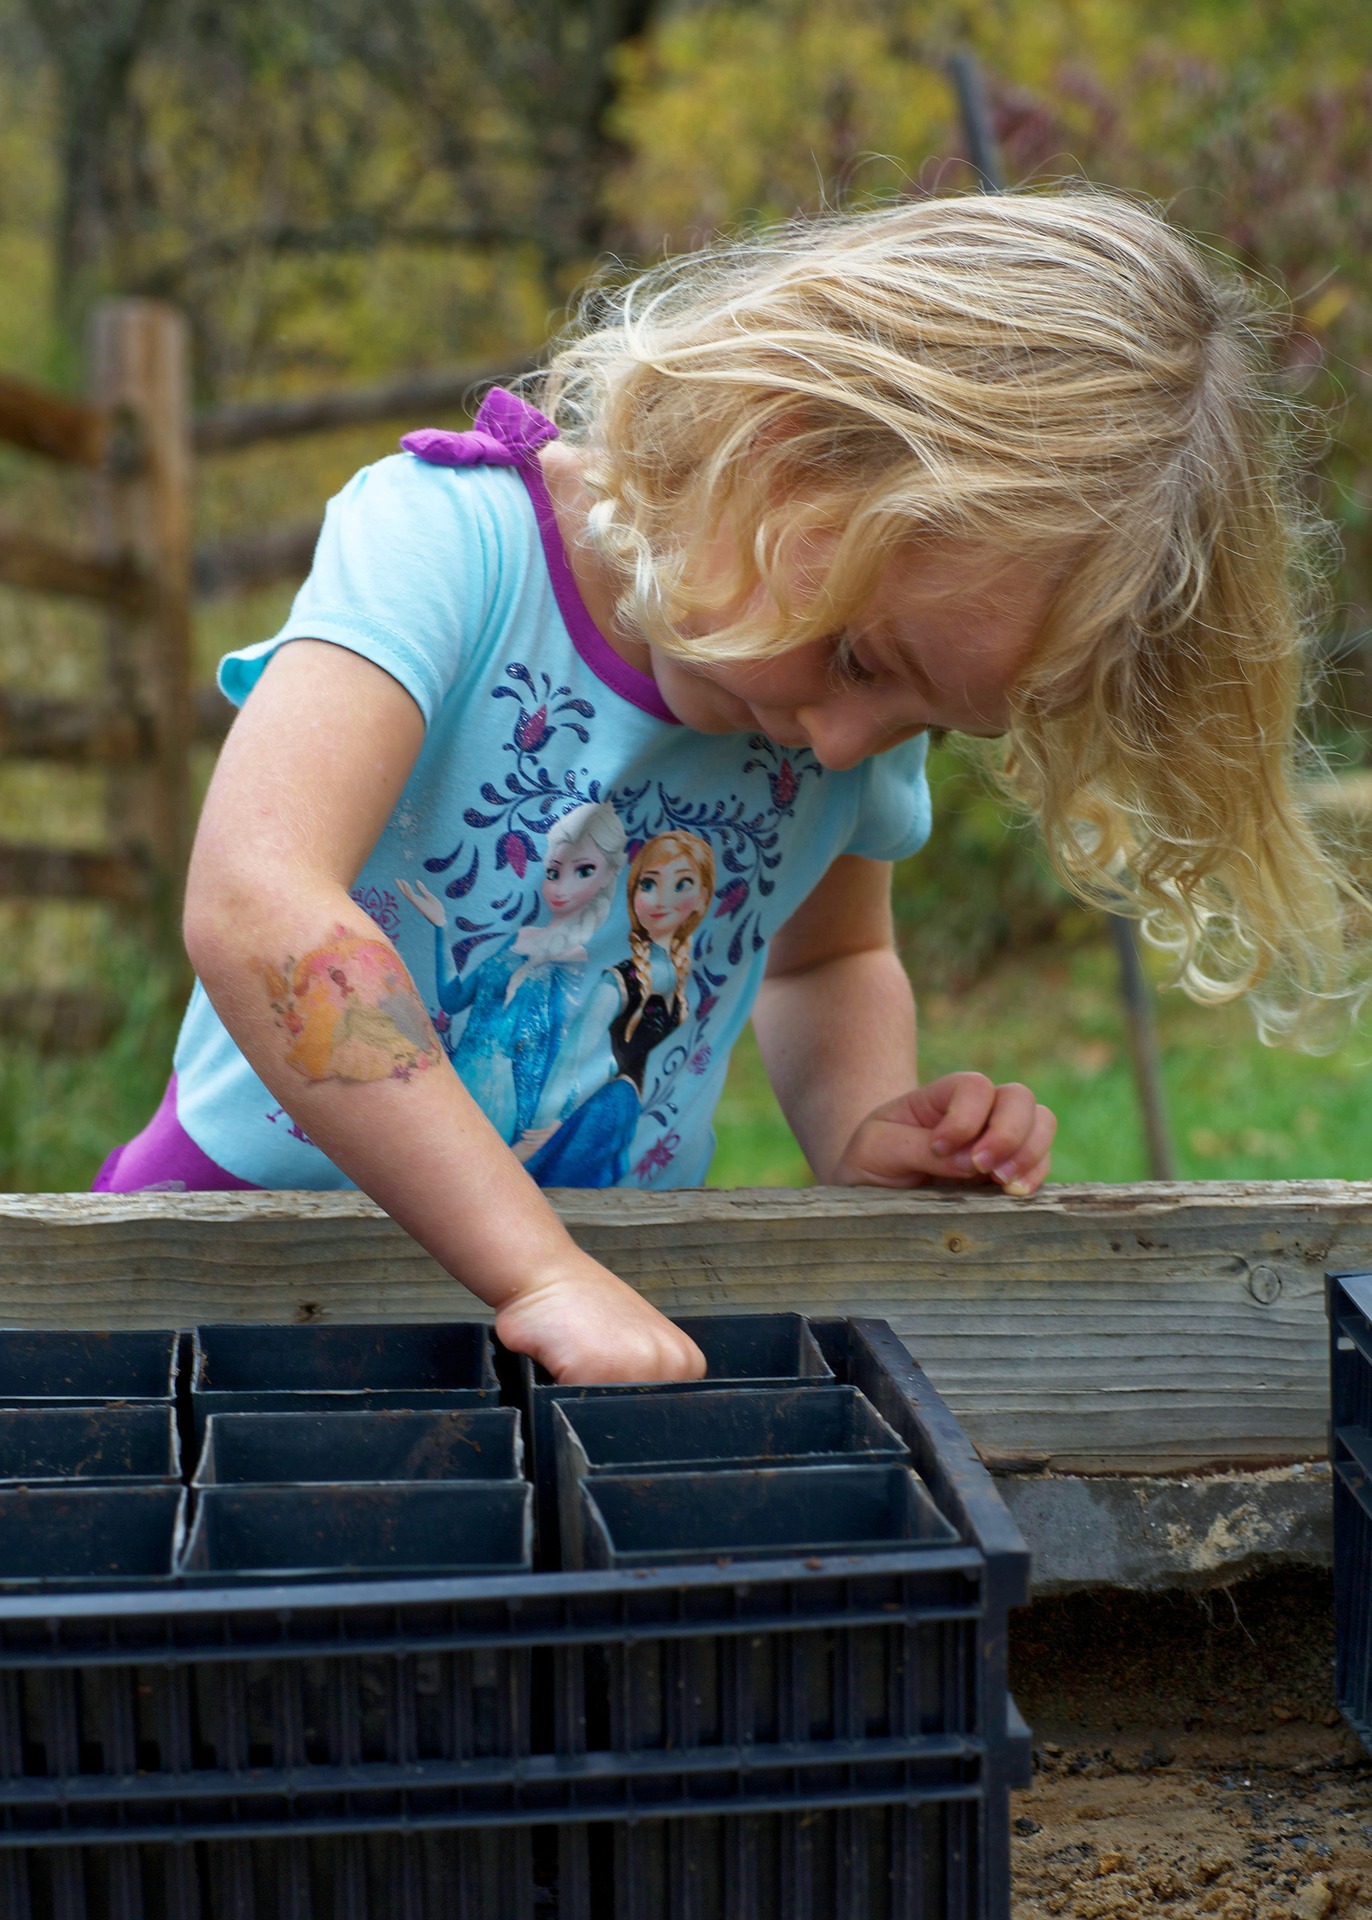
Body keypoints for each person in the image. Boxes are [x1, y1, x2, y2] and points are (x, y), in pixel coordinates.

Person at [94, 188, 1358, 1387]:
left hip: (600, 1300)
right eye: (865, 660)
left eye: (921, 717)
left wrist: (864, 1130)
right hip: (229, 1266)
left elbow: (827, 963)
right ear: (781, 445)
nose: (854, 745)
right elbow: (260, 905)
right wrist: (530, 1262)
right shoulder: (451, 542)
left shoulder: (833, 713)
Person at [396, 800, 628, 1147]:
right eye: (553, 872)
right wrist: (440, 926)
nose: (561, 888)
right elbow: (453, 998)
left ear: (609, 875)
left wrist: (552, 1118)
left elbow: (560, 1044)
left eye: (583, 871)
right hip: (458, 1073)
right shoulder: (518, 939)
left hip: (501, 1090)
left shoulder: (573, 960)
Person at [520, 830, 716, 1186]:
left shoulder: (675, 973)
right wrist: (546, 1125)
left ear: (703, 898)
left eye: (681, 884)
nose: (661, 899)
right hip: (603, 1110)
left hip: (626, 1112)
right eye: (649, 884)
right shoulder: (620, 981)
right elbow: (572, 1056)